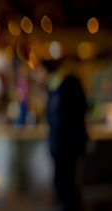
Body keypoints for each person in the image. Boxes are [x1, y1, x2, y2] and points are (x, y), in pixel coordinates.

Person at [40, 59, 89, 211]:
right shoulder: (53, 89)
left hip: (68, 147)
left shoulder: (67, 85)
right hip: (60, 147)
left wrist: (74, 142)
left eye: (39, 71)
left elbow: (76, 117)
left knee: (69, 186)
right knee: (64, 185)